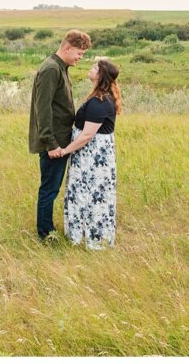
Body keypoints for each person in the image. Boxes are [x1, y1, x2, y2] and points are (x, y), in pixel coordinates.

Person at [28, 29, 92, 242]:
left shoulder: (60, 67)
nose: (80, 58)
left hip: (61, 140)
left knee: (53, 188)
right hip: (54, 144)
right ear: (67, 48)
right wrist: (51, 144)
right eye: (79, 54)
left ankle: (47, 229)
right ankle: (46, 235)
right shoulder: (51, 69)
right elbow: (42, 110)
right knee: (49, 189)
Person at [61, 58, 121, 250]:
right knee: (89, 192)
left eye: (95, 67)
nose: (91, 68)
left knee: (89, 193)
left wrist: (65, 151)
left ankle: (89, 238)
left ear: (101, 74)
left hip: (92, 158)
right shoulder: (100, 98)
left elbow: (87, 135)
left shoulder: (100, 102)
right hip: (91, 156)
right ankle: (83, 234)